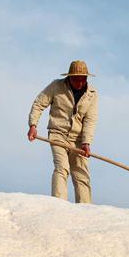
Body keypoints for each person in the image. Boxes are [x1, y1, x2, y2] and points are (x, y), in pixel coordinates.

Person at [27, 60, 99, 203]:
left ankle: (86, 210)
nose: (79, 83)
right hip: (57, 134)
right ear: (69, 77)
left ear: (86, 78)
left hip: (78, 140)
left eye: (82, 79)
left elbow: (90, 120)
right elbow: (39, 103)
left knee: (82, 174)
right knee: (62, 167)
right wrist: (33, 125)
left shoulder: (92, 94)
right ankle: (58, 205)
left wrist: (86, 142)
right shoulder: (56, 86)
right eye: (76, 79)